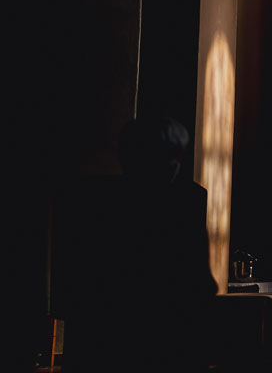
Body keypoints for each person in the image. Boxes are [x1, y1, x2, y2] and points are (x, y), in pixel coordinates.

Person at [60, 115, 217, 373]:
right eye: (168, 155)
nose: (174, 164)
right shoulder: (186, 203)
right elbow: (198, 279)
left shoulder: (92, 204)